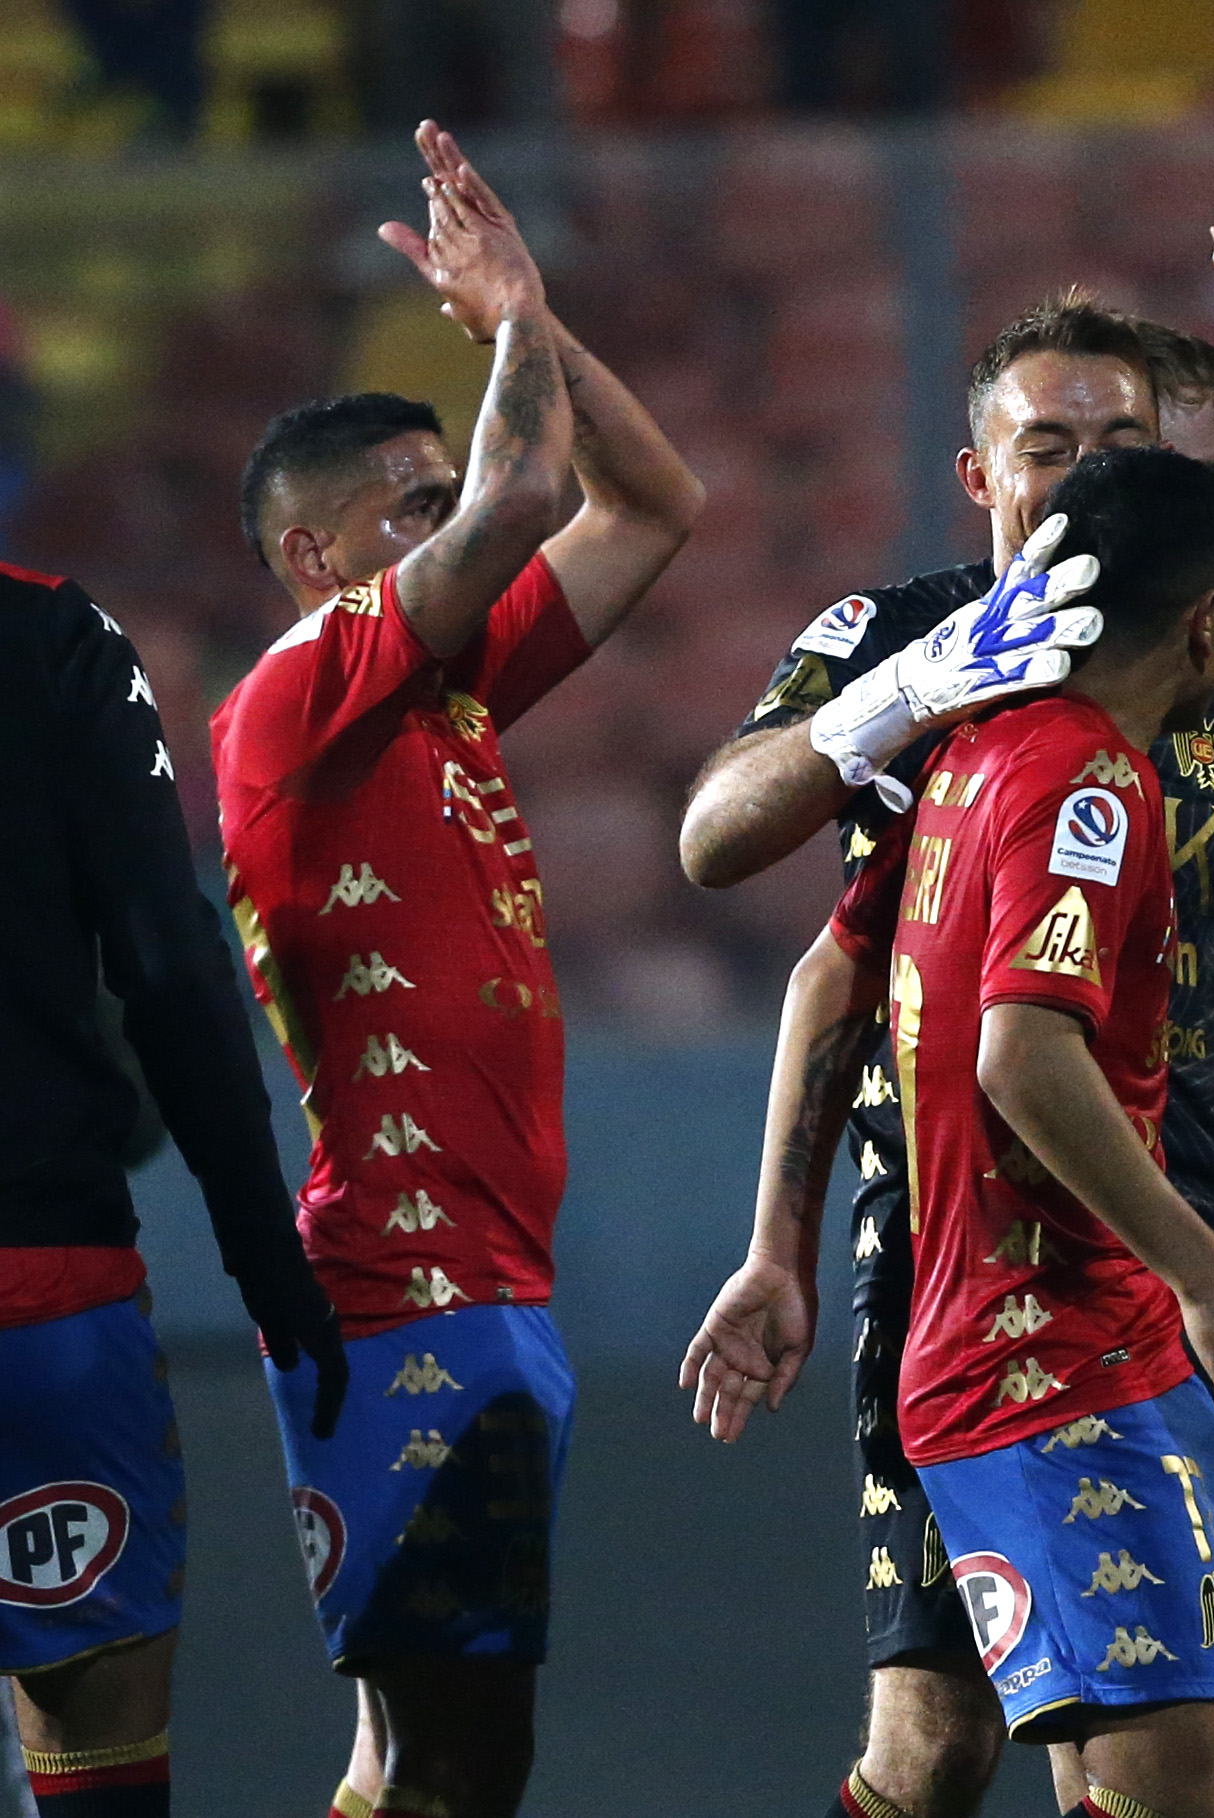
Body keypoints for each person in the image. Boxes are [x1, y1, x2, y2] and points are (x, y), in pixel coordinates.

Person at [677, 112, 1214, 1818]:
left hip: (1197, 1212)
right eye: (1041, 446)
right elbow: (733, 855)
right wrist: (777, 1240)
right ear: (978, 472)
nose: (1077, 474)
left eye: (1114, 439)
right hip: (967, 1243)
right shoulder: (901, 651)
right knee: (944, 1735)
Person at [208, 123, 701, 1818]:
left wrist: (537, 330)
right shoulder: (291, 700)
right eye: (404, 509)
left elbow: (657, 503)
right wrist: (506, 326)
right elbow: (530, 493)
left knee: (413, 1761)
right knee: (458, 1765)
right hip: (404, 1288)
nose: (453, 524)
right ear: (315, 557)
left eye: (439, 493)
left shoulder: (445, 693)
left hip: (493, 1284)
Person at [764, 445, 1214, 1818]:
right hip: (1052, 1359)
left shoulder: (971, 755)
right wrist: (1210, 1275)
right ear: (1207, 621)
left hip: (1013, 1353)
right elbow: (1025, 1052)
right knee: (1192, 1774)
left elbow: (839, 964)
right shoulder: (1092, 784)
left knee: (1143, 1775)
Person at [0, 556, 347, 1818]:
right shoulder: (51, 633)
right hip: (37, 1289)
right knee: (95, 1757)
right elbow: (167, 960)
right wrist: (264, 1252)